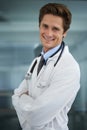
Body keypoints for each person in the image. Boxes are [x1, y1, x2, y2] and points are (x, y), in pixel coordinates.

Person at [12, 3, 80, 130]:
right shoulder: (36, 62)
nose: (48, 33)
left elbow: (35, 117)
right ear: (39, 26)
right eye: (45, 26)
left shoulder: (68, 68)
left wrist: (22, 98)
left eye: (55, 29)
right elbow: (14, 96)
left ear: (65, 32)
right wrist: (26, 102)